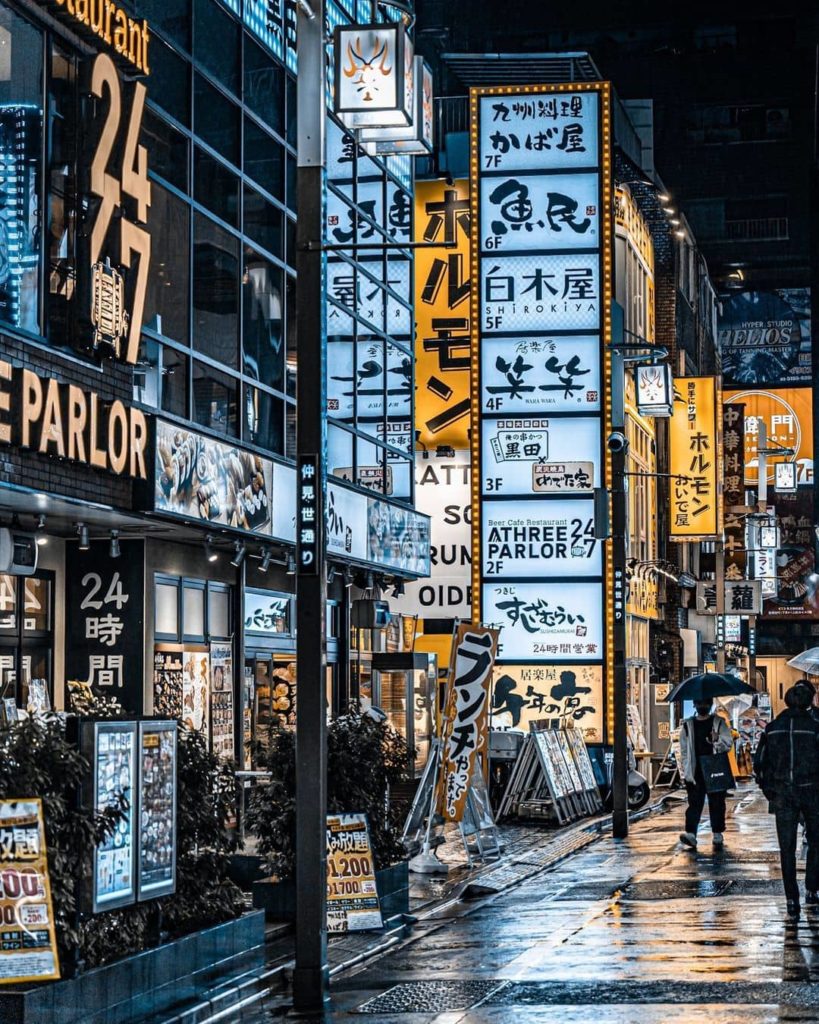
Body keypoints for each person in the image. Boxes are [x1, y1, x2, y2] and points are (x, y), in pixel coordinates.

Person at [754, 681, 819, 920]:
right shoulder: (814, 728)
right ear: (809, 701)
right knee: (815, 841)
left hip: (783, 796)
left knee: (787, 848)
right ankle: (812, 888)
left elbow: (759, 765)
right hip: (812, 793)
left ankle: (792, 899)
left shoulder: (773, 729)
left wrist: (770, 791)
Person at [678, 698, 734, 850]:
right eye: (700, 703)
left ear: (710, 705)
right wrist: (685, 767)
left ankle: (717, 832)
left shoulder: (719, 722)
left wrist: (717, 740)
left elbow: (728, 743)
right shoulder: (688, 725)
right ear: (695, 705)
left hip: (714, 767)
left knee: (717, 802)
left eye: (706, 703)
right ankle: (691, 833)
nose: (703, 706)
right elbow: (683, 749)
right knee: (694, 802)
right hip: (695, 769)